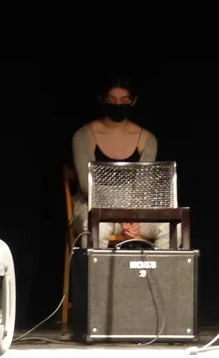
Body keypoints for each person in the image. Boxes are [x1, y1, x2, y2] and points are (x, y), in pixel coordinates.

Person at [71, 76, 170, 249]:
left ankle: (156, 268)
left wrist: (133, 216)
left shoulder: (146, 139)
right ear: (103, 100)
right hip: (93, 208)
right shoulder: (84, 135)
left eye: (124, 101)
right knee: (95, 229)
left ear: (133, 101)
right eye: (112, 100)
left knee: (168, 227)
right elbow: (88, 185)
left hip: (135, 212)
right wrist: (120, 214)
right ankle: (96, 268)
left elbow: (143, 186)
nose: (117, 105)